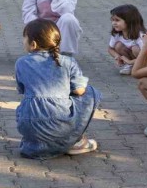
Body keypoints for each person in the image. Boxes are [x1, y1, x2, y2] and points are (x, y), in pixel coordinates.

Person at [16, 19, 101, 159]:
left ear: (33, 44)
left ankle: (40, 143)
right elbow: (80, 91)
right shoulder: (68, 62)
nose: (22, 42)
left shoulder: (21, 63)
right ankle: (75, 141)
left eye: (24, 38)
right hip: (60, 124)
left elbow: (22, 90)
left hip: (29, 123)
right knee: (91, 92)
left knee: (28, 103)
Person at [107, 4, 147, 75]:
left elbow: (146, 56)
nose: (114, 23)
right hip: (135, 59)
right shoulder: (117, 33)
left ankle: (141, 67)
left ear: (129, 21)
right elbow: (110, 49)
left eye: (117, 20)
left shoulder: (140, 35)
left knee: (135, 48)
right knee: (118, 46)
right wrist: (117, 57)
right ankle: (131, 66)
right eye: (112, 20)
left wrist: (129, 61)